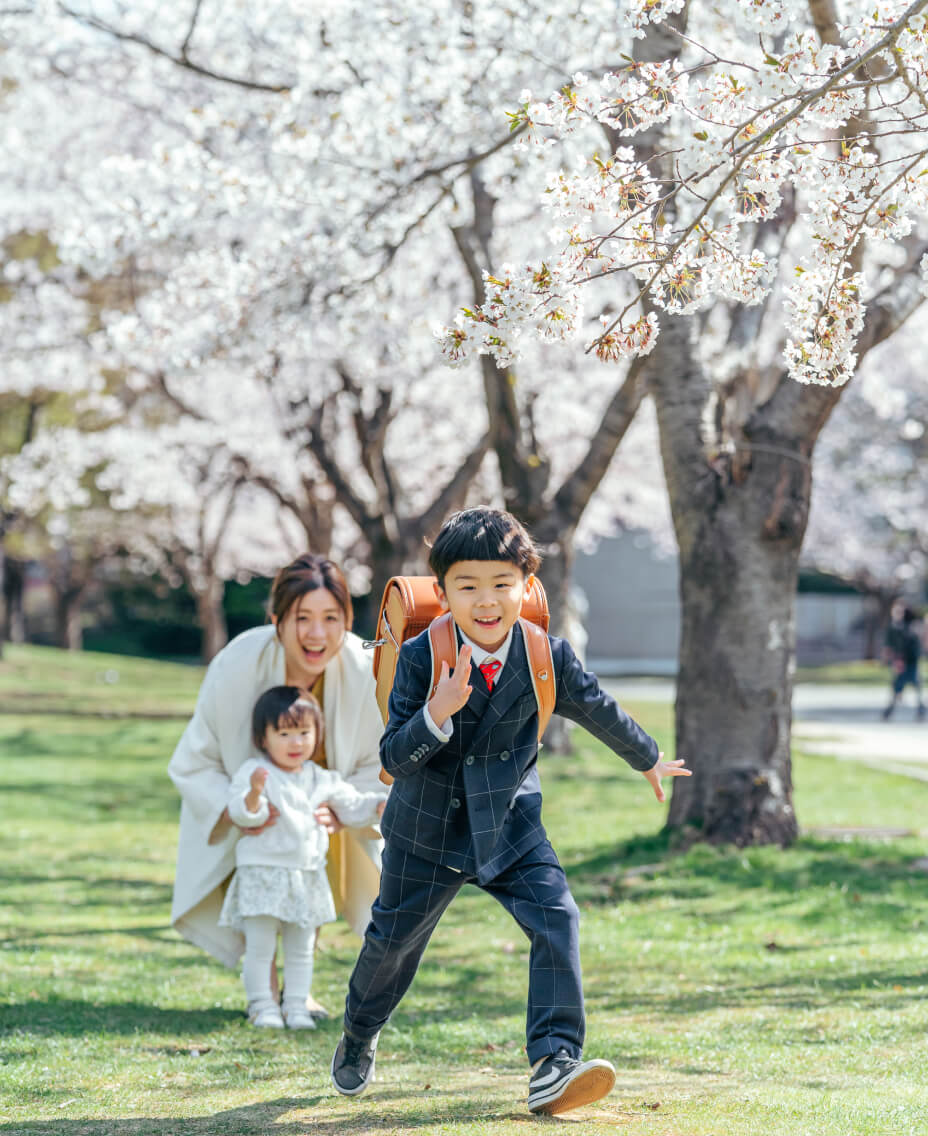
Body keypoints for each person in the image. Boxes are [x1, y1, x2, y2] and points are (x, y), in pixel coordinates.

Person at [330, 507, 691, 1115]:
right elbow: (394, 753)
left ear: (528, 585)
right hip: (427, 833)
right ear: (442, 592)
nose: (487, 600)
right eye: (468, 586)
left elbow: (596, 706)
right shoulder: (423, 656)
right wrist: (437, 712)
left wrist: (648, 758)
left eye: (502, 584)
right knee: (391, 947)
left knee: (558, 919)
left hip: (511, 828)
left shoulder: (545, 653)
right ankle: (359, 1034)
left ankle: (554, 1062)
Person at [168, 553, 387, 1018]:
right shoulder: (239, 663)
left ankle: (297, 990)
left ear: (348, 619)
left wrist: (343, 809)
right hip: (251, 802)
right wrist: (238, 808)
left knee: (311, 878)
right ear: (276, 620)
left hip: (320, 800)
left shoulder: (362, 667)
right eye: (301, 618)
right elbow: (197, 760)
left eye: (332, 618)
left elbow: (374, 760)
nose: (317, 634)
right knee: (260, 886)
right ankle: (264, 990)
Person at [222, 686, 387, 1028]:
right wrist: (254, 793)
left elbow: (351, 805)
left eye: (303, 733)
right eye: (284, 733)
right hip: (263, 873)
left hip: (306, 876)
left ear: (317, 735)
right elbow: (242, 814)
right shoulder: (256, 773)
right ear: (263, 738)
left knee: (301, 946)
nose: (295, 742)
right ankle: (262, 1006)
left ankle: (296, 1005)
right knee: (260, 946)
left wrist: (377, 806)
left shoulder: (321, 778)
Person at [882, 601, 925, 721]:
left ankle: (919, 710)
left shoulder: (906, 629)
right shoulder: (899, 628)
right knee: (901, 686)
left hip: (908, 662)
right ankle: (890, 710)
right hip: (906, 662)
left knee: (910, 686)